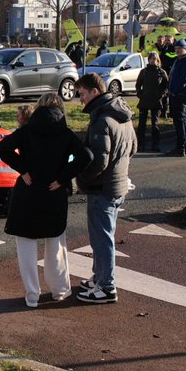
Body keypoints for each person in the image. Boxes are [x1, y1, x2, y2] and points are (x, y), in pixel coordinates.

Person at [0, 93, 92, 308]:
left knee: (26, 245)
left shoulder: (27, 130)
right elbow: (85, 156)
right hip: (53, 192)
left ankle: (32, 295)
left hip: (28, 192)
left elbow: (3, 148)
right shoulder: (65, 133)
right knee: (56, 244)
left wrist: (23, 170)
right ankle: (60, 290)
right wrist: (62, 177)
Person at [74, 73, 137, 304]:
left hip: (102, 188)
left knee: (101, 239)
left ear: (94, 91)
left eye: (81, 93)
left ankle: (107, 287)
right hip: (118, 183)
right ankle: (98, 277)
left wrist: (82, 177)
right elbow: (133, 148)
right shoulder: (122, 114)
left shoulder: (101, 120)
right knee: (102, 236)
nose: (80, 99)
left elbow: (99, 160)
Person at [165, 39, 186, 157]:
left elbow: (184, 78)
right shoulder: (178, 60)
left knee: (181, 121)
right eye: (176, 48)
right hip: (176, 94)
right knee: (179, 121)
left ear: (185, 49)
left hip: (181, 94)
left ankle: (181, 147)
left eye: (179, 48)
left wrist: (175, 90)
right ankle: (182, 147)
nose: (177, 50)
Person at [134, 52, 169, 153]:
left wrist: (161, 95)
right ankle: (140, 145)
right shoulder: (143, 72)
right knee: (142, 125)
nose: (153, 60)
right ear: (148, 59)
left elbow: (166, 86)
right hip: (144, 100)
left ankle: (155, 145)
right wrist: (140, 94)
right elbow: (138, 85)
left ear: (158, 60)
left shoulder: (161, 72)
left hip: (156, 101)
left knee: (155, 124)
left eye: (155, 59)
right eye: (151, 58)